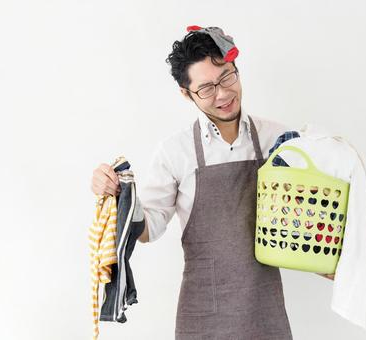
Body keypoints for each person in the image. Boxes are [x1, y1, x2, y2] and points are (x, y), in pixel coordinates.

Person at [90, 26, 333, 339]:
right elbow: (149, 229)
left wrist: (327, 260)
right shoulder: (175, 151)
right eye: (206, 88)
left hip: (266, 311)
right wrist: (118, 194)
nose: (223, 94)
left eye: (227, 77)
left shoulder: (279, 139)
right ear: (186, 93)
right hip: (202, 314)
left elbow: (307, 214)